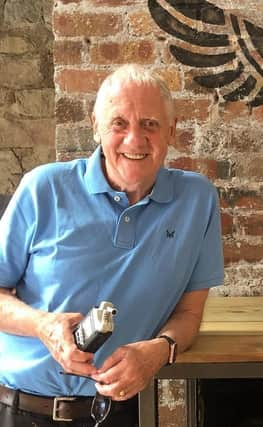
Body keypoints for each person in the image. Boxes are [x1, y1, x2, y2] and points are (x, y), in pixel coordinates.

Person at [0, 64, 224, 426]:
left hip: (120, 413)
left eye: (149, 124)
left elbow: (189, 315)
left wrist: (158, 351)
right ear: (96, 125)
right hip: (22, 409)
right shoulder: (43, 188)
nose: (134, 140)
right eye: (119, 123)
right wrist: (43, 325)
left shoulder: (196, 200)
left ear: (172, 130)